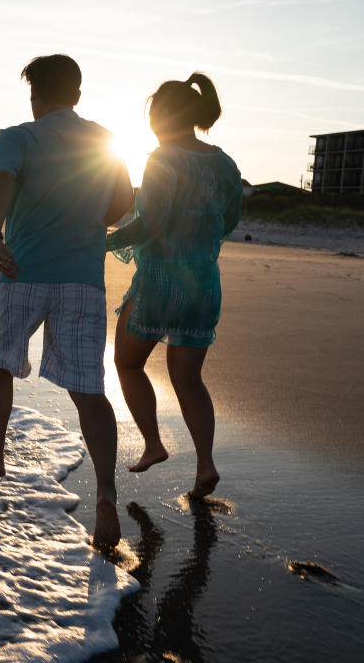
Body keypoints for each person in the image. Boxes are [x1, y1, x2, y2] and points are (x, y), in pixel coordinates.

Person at [0, 54, 133, 550]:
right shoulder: (105, 139)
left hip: (23, 271)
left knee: (1, 365)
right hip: (82, 279)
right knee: (89, 390)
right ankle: (105, 492)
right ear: (78, 94)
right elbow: (122, 202)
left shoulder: (17, 136)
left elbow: (1, 182)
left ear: (34, 94)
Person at [106, 73, 241, 499]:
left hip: (162, 279)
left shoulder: (164, 158)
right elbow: (230, 220)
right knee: (189, 380)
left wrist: (107, 239)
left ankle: (153, 444)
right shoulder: (225, 163)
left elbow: (152, 222)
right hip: (204, 281)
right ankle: (205, 466)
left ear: (162, 117)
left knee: (127, 363)